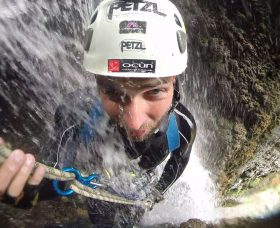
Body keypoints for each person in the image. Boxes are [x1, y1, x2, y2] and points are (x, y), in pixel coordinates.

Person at [0, 0, 196, 226]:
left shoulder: (183, 127)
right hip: (103, 179)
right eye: (113, 93)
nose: (134, 121)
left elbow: (176, 165)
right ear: (97, 85)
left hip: (139, 182)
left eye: (154, 91)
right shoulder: (76, 112)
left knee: (132, 218)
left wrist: (156, 192)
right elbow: (57, 171)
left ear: (175, 82)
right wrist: (27, 188)